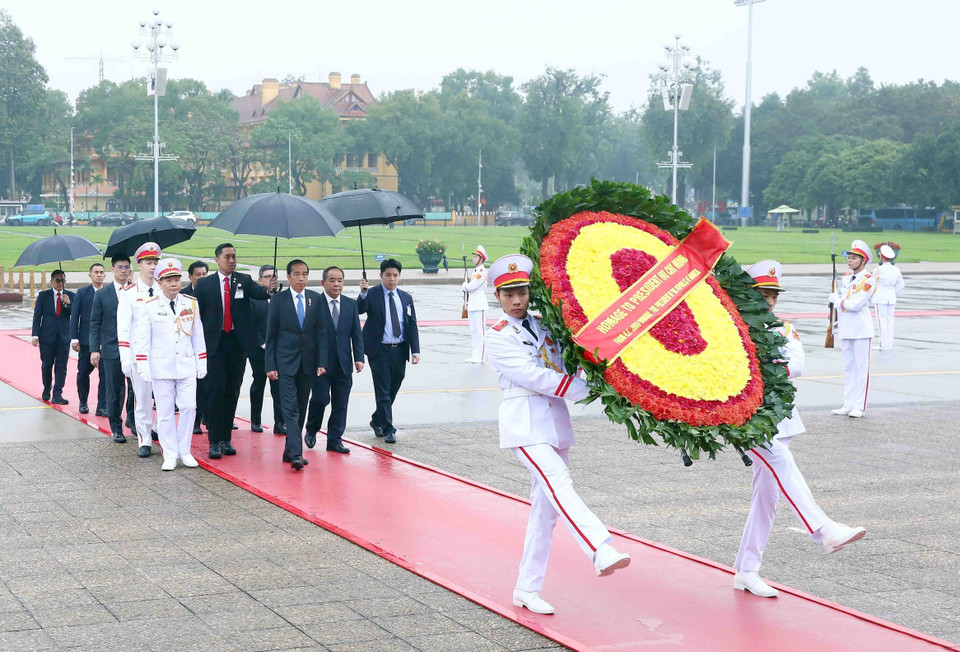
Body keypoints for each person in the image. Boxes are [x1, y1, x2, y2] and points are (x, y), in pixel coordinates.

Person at [485, 254, 630, 616]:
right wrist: (588, 392)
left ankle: (526, 588)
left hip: (555, 424)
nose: (517, 300)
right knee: (559, 481)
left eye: (521, 291)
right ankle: (600, 548)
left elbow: (569, 362)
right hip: (526, 424)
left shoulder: (545, 326)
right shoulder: (499, 336)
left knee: (544, 513)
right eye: (508, 294)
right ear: (498, 297)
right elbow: (536, 377)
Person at [733, 261, 867, 598]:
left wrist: (758, 363)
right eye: (764, 294)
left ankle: (747, 570)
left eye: (774, 295)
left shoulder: (781, 328)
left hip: (779, 418)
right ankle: (823, 529)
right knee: (781, 464)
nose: (770, 302)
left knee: (767, 498)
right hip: (746, 418)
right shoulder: (730, 327)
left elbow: (797, 365)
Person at [194, 243, 270, 459]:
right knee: (215, 392)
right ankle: (214, 440)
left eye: (234, 256)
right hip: (214, 345)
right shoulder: (205, 284)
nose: (232, 260)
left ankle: (226, 439)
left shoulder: (243, 280)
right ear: (217, 260)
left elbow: (260, 293)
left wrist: (269, 288)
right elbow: (196, 314)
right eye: (227, 257)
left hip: (237, 344)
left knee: (232, 392)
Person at [132, 259, 207, 471]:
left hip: (185, 365)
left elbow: (197, 335)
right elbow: (143, 339)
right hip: (161, 367)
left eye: (176, 280)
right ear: (160, 282)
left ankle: (185, 450)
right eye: (169, 280)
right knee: (164, 413)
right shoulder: (149, 306)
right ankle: (170, 453)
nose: (174, 284)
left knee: (188, 407)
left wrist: (201, 361)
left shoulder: (190, 303)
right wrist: (143, 365)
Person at [265, 259, 327, 470]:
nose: (301, 278)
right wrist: (270, 365)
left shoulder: (315, 299)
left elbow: (321, 333)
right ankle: (297, 454)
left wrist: (321, 361)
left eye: (304, 274)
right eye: (297, 274)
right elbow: (271, 336)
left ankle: (289, 450)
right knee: (290, 409)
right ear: (289, 277)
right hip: (285, 363)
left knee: (300, 408)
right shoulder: (278, 300)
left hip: (308, 364)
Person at [358, 259, 420, 444]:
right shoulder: (372, 294)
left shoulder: (406, 298)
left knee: (394, 385)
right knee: (383, 389)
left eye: (395, 275)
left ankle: (377, 419)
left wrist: (415, 350)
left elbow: (412, 324)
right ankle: (388, 428)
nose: (392, 279)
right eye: (388, 275)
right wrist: (362, 293)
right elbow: (359, 310)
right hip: (379, 349)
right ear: (381, 276)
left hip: (400, 350)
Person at [305, 266, 364, 454]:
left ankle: (335, 439)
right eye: (332, 280)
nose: (336, 284)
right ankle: (312, 429)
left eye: (340, 280)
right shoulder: (314, 303)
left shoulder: (350, 304)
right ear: (323, 283)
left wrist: (359, 358)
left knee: (341, 403)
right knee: (320, 399)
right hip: (320, 364)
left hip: (344, 363)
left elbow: (356, 334)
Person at [118, 242, 162, 457]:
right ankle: (144, 439)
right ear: (140, 264)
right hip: (139, 356)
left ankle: (160, 432)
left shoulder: (165, 289)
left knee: (165, 399)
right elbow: (123, 329)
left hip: (162, 354)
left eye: (155, 262)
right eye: (148, 263)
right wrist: (126, 359)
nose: (152, 267)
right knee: (143, 399)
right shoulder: (128, 293)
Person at [90, 255, 136, 443]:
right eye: (119, 267)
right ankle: (116, 427)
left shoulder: (136, 291)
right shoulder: (103, 294)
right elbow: (95, 323)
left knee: (135, 389)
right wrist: (94, 349)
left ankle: (133, 422)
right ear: (113, 269)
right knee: (115, 389)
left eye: (126, 267)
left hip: (134, 347)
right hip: (112, 348)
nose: (123, 270)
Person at [828, 239, 875, 418]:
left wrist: (837, 301)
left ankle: (859, 406)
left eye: (854, 258)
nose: (850, 260)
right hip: (846, 327)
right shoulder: (847, 278)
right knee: (848, 367)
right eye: (849, 257)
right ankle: (848, 403)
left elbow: (855, 304)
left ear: (863, 261)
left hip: (861, 329)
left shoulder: (869, 280)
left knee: (861, 368)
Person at [249, 264, 284, 434]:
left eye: (274, 276)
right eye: (268, 276)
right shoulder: (254, 298)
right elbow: (251, 325)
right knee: (259, 384)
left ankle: (280, 422)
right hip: (259, 349)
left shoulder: (281, 298)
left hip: (278, 350)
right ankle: (255, 420)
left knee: (278, 387)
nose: (271, 279)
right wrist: (262, 342)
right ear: (260, 280)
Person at [31, 269, 74, 404]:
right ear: (52, 281)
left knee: (61, 366)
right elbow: (37, 316)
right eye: (58, 280)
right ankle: (46, 387)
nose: (61, 283)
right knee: (46, 365)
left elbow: (75, 315)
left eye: (63, 280)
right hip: (47, 337)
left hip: (63, 337)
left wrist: (69, 304)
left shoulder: (70, 296)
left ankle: (57, 393)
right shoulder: (43, 296)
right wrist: (35, 334)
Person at [70, 263, 107, 415]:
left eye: (101, 272)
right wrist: (74, 338)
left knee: (105, 375)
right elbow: (75, 317)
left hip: (105, 340)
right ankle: (83, 401)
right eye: (96, 272)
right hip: (86, 340)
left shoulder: (109, 292)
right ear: (90, 275)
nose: (99, 275)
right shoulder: (82, 292)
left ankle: (102, 406)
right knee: (83, 372)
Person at [181, 261, 209, 434]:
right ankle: (196, 420)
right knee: (196, 385)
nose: (201, 277)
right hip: (189, 346)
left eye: (204, 274)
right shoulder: (183, 295)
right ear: (190, 276)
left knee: (212, 384)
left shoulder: (212, 291)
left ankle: (210, 417)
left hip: (210, 344)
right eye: (198, 274)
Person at [871, 244, 905, 352]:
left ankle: (882, 344)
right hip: (891, 297)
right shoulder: (896, 269)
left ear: (881, 257)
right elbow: (901, 285)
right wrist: (893, 293)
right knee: (890, 321)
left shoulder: (877, 270)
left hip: (880, 296)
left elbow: (872, 284)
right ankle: (889, 344)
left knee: (881, 321)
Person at [462, 245, 489, 364]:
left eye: (475, 257)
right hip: (473, 304)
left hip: (480, 305)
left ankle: (481, 356)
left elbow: (471, 286)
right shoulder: (476, 271)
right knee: (473, 331)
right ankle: (475, 355)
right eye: (473, 257)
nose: (473, 259)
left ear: (481, 259)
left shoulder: (482, 271)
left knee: (480, 332)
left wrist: (465, 285)